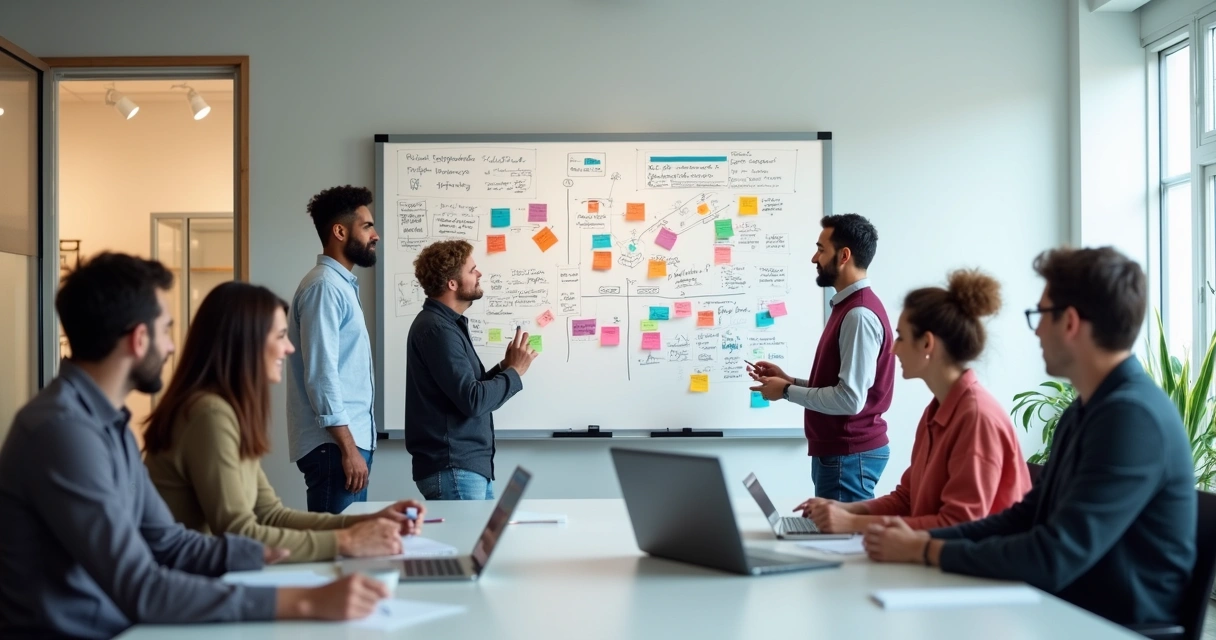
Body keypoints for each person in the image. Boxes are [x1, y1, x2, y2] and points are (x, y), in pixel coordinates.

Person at [0, 253, 390, 639]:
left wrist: (254, 553)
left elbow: (166, 540)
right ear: (139, 339)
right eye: (166, 330)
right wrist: (304, 601)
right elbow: (141, 587)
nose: (171, 347)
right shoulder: (63, 431)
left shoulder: (105, 422)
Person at [863, 247, 1196, 627]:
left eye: (1041, 315)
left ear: (1069, 322)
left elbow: (1053, 556)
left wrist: (926, 550)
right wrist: (921, 545)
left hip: (1107, 625)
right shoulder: (1087, 409)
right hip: (1068, 610)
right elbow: (1025, 516)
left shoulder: (1132, 418)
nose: (1036, 329)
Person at [144, 282, 428, 562]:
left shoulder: (224, 411)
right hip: (190, 588)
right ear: (246, 342)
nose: (289, 348)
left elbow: (270, 515)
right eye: (280, 336)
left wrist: (369, 522)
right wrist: (347, 541)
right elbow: (238, 533)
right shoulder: (209, 414)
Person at [795, 270, 1031, 533]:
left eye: (901, 337)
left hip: (976, 567)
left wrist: (853, 523)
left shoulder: (976, 418)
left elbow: (959, 525)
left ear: (927, 343)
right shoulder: (937, 411)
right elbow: (907, 499)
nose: (893, 348)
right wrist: (841, 509)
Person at [750, 213, 895, 502]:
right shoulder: (849, 308)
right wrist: (788, 380)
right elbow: (842, 387)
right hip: (844, 454)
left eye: (820, 249)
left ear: (843, 256)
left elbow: (850, 400)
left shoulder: (858, 314)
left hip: (848, 455)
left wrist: (787, 391)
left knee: (841, 545)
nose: (814, 258)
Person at [405, 240, 538, 500]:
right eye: (472, 270)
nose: (479, 274)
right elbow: (473, 400)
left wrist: (505, 367)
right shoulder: (438, 330)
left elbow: (466, 391)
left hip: (464, 468)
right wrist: (515, 372)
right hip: (455, 468)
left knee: (478, 541)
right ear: (452, 284)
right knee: (467, 542)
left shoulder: (446, 326)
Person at [286, 185, 380, 513]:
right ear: (340, 231)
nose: (376, 235)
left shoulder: (339, 285)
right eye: (367, 226)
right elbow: (321, 375)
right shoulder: (325, 287)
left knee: (347, 548)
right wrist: (348, 447)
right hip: (335, 448)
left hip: (342, 446)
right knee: (336, 552)